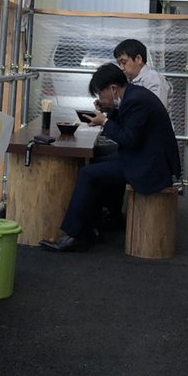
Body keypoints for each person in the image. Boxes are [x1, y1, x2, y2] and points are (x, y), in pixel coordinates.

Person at [40, 64, 180, 252]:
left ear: (113, 89)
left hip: (149, 166)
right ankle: (98, 223)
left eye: (100, 93)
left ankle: (75, 235)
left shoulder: (135, 100)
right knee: (96, 157)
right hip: (144, 156)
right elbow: (128, 128)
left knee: (88, 174)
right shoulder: (133, 95)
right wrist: (108, 110)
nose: (99, 98)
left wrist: (105, 121)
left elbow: (129, 139)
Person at [112, 38, 170, 109]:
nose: (121, 68)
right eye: (119, 64)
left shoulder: (153, 79)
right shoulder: (129, 82)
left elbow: (156, 110)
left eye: (124, 62)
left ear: (138, 59)